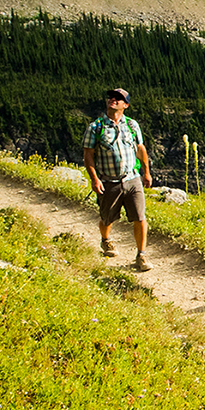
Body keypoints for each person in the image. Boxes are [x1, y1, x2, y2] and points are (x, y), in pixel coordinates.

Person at [83, 88, 152, 272]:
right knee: (107, 218)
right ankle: (105, 240)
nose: (113, 100)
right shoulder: (95, 127)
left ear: (125, 105)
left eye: (119, 99)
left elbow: (140, 148)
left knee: (140, 217)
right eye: (111, 97)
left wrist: (146, 172)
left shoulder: (132, 125)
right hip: (108, 181)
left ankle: (141, 255)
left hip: (132, 178)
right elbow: (88, 155)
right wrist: (95, 179)